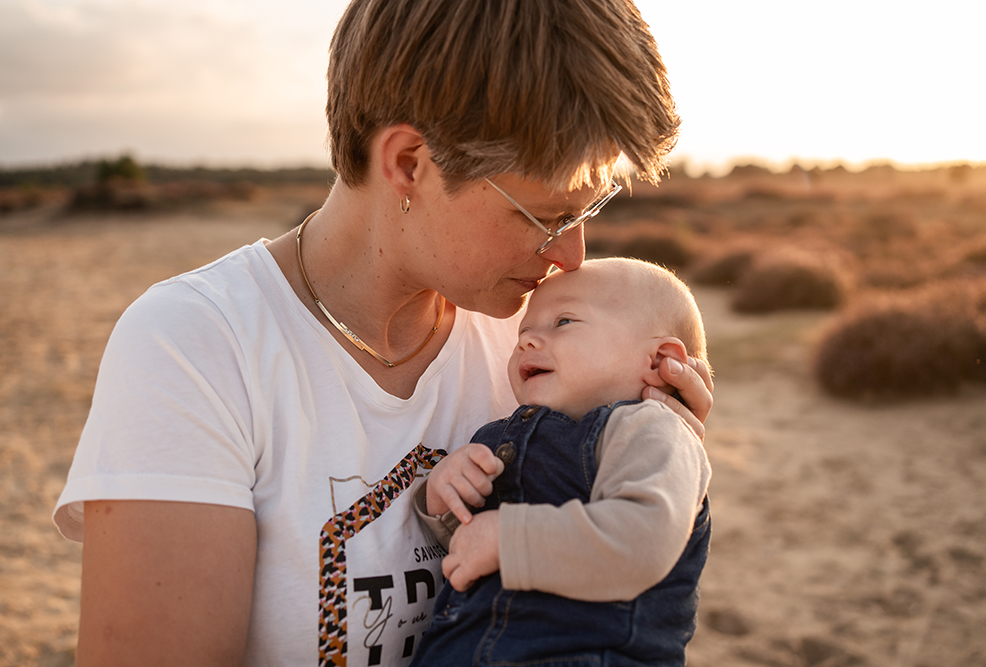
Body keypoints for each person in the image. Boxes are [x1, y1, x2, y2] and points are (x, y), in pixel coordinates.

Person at [52, 1, 714, 666]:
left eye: (589, 208)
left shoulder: (544, 343)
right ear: (409, 163)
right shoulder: (197, 346)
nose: (570, 257)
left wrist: (651, 432)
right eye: (547, 215)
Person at [410, 257, 711, 666]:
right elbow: (474, 549)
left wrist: (507, 540)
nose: (527, 343)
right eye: (523, 332)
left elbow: (643, 540)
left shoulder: (651, 431)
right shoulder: (497, 437)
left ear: (659, 361)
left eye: (564, 322)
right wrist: (446, 499)